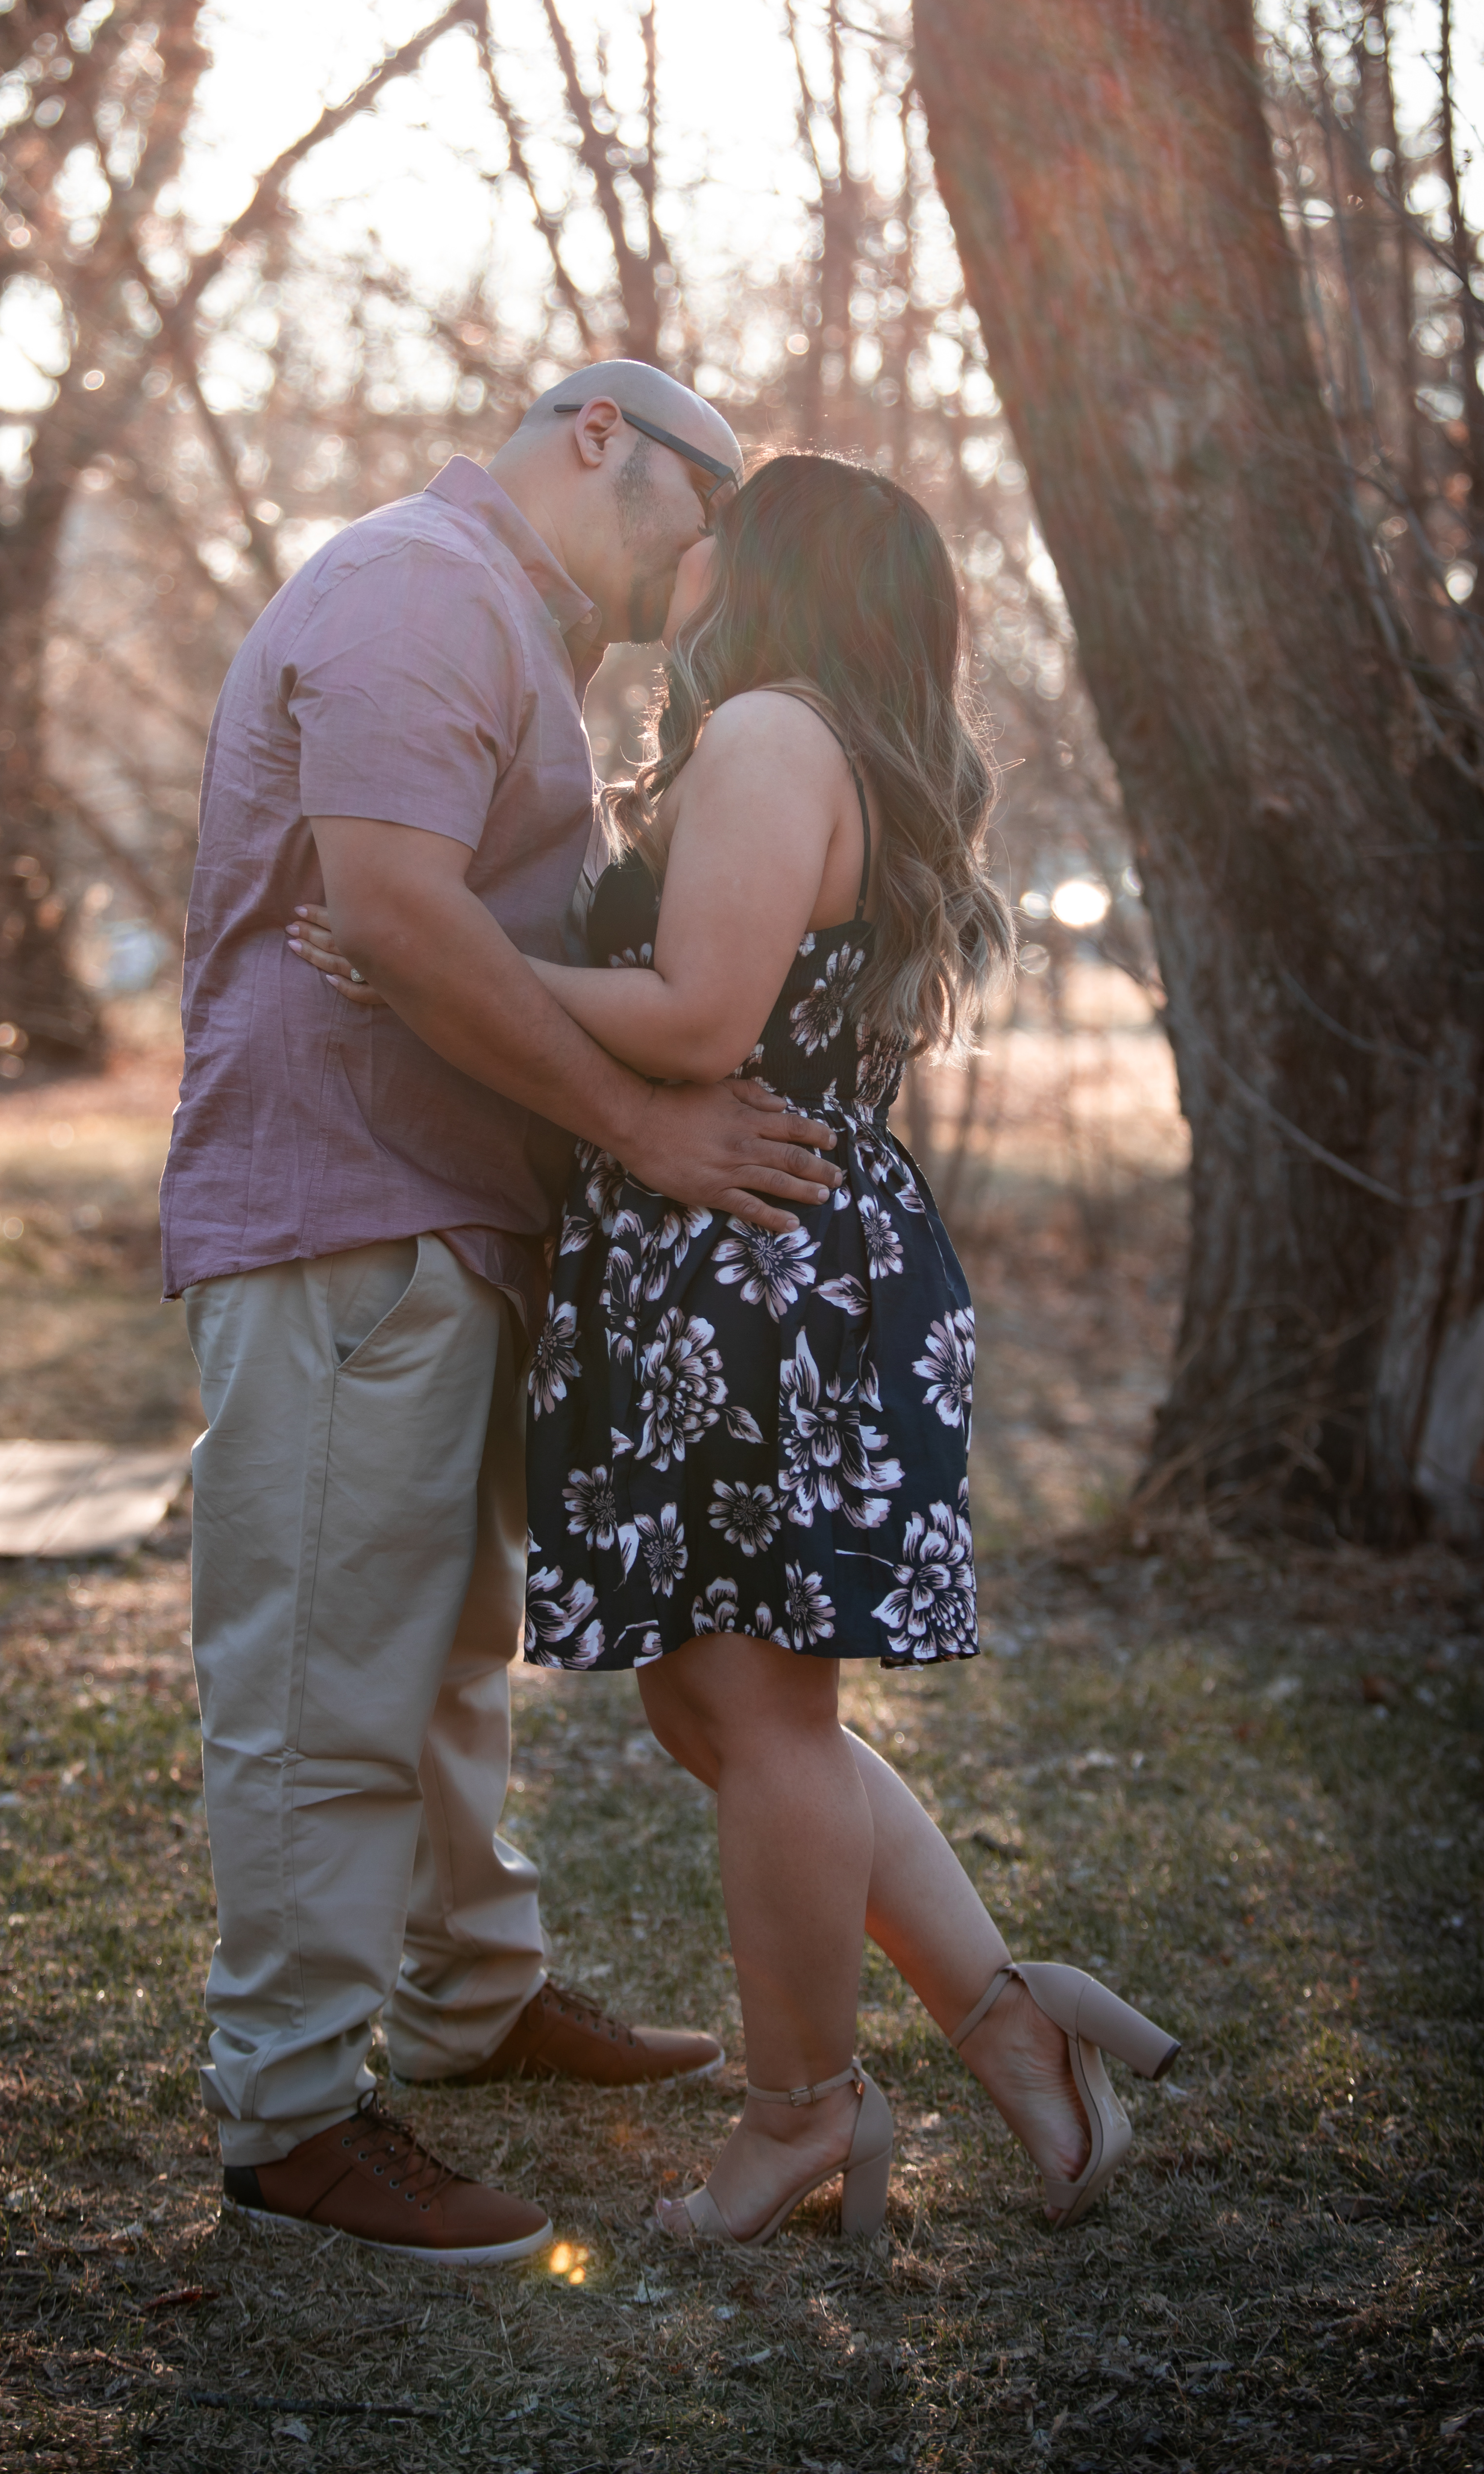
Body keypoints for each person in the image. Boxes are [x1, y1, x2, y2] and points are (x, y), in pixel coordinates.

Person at [296, 454, 1181, 2248]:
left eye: (715, 537)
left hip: (756, 1264)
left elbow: (704, 1019)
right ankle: (1011, 2023)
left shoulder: (774, 734)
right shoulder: (821, 737)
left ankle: (802, 2118)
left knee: (762, 1713)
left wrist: (442, 963)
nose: (683, 562)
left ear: (769, 569)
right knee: (718, 1701)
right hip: (745, 1256)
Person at [160, 365, 847, 2267]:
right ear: (603, 436)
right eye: (700, 528)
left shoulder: (513, 636)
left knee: (440, 1654)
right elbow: (384, 914)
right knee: (320, 1684)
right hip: (342, 1214)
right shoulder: (418, 587)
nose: (698, 580)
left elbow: (458, 923)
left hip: (442, 1218)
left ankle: (471, 1996)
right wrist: (643, 1123)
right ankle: (292, 2115)